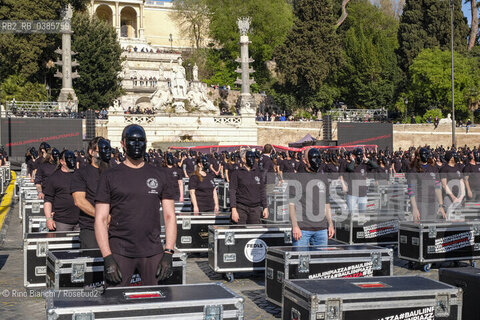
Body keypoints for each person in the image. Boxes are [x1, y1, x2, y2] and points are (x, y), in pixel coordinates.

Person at [95, 124, 176, 287]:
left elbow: (170, 216)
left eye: (141, 140)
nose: (137, 144)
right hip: (120, 251)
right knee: (116, 304)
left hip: (153, 251)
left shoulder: (160, 175)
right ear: (123, 143)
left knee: (155, 303)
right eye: (132, 140)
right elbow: (100, 219)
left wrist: (168, 252)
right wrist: (107, 256)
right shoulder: (109, 176)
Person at [71, 137, 112, 249]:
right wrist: (103, 217)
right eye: (101, 149)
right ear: (91, 152)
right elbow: (79, 201)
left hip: (115, 229)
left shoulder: (114, 172)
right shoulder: (81, 173)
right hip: (91, 228)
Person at [289, 148, 335, 246]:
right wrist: (295, 226)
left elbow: (326, 203)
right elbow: (291, 205)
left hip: (321, 229)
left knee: (321, 260)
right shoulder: (297, 178)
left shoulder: (323, 177)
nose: (316, 161)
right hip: (302, 229)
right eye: (313, 158)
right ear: (305, 161)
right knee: (299, 260)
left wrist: (330, 223)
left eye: (318, 157)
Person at [44, 150, 80, 231]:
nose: (72, 161)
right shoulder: (54, 178)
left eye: (74, 158)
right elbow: (48, 200)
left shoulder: (80, 175)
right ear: (62, 161)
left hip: (80, 221)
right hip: (62, 222)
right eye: (69, 159)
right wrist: (49, 219)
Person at [229, 150, 268, 224]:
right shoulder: (237, 173)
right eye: (249, 157)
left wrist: (265, 207)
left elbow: (262, 190)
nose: (252, 159)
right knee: (240, 232)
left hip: (255, 209)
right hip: (241, 208)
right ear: (243, 159)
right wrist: (233, 210)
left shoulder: (258, 173)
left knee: (254, 233)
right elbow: (232, 191)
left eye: (253, 157)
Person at [407, 148, 446, 221]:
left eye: (427, 154)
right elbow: (411, 191)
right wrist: (415, 208)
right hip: (421, 204)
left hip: (433, 203)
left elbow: (437, 188)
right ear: (418, 156)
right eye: (424, 154)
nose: (426, 156)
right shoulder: (414, 170)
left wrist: (441, 205)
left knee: (433, 228)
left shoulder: (433, 169)